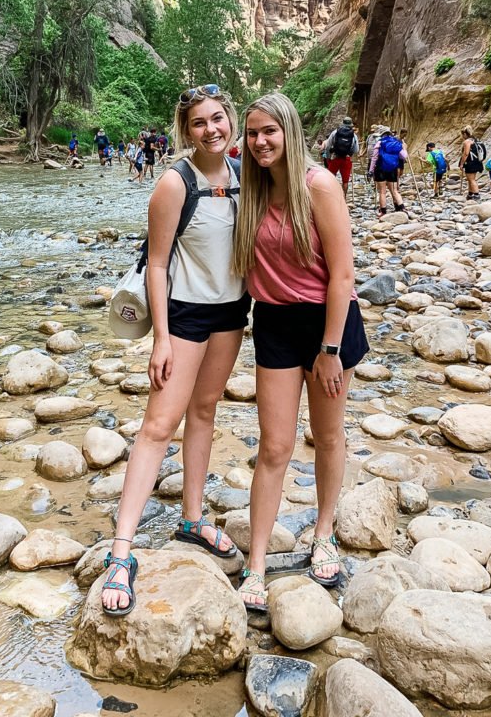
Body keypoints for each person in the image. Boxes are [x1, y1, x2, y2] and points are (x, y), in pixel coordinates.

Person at [101, 85, 250, 617]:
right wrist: (162, 338)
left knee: (205, 411)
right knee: (158, 426)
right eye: (198, 123)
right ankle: (121, 554)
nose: (211, 130)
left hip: (232, 313)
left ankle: (191, 519)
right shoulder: (173, 182)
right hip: (184, 316)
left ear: (230, 119)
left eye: (218, 118)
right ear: (185, 131)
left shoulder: (244, 177)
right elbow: (158, 263)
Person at [233, 93, 368, 613]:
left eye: (270, 131)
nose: (261, 141)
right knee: (274, 446)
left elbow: (343, 275)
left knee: (328, 434)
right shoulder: (251, 187)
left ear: (289, 131)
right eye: (253, 133)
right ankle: (258, 564)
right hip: (274, 323)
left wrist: (330, 348)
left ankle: (324, 532)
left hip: (326, 323)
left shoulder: (319, 185)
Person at [368, 128, 407, 217]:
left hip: (380, 169)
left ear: (381, 134)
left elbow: (374, 158)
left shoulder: (379, 143)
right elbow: (404, 156)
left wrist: (371, 171)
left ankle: (383, 211)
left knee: (382, 192)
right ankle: (402, 208)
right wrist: (404, 149)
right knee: (394, 190)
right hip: (392, 169)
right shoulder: (397, 143)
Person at [324, 117, 359, 197]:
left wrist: (328, 158)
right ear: (351, 125)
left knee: (331, 178)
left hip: (335, 158)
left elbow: (328, 146)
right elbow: (356, 149)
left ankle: (330, 196)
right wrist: (349, 154)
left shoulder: (335, 132)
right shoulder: (353, 135)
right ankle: (344, 197)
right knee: (345, 181)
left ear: (342, 123)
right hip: (346, 160)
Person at [459, 126, 484, 199]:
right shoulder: (476, 140)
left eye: (462, 134)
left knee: (472, 179)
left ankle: (476, 195)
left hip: (470, 163)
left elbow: (466, 154)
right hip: (477, 162)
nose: (462, 136)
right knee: (471, 178)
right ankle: (470, 193)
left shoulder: (467, 142)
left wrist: (461, 163)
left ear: (465, 134)